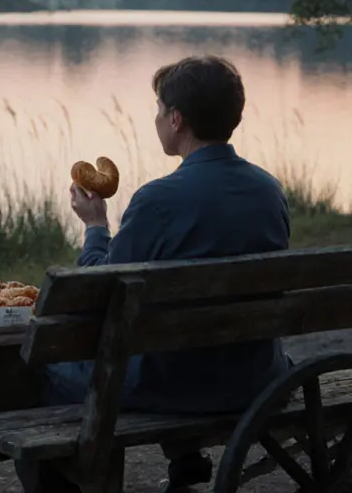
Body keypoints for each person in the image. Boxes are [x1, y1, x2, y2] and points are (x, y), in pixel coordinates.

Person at [21, 55, 294, 493]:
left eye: (158, 110)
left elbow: (99, 292)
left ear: (176, 119)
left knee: (45, 365)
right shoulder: (269, 190)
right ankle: (185, 458)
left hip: (176, 385)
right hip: (255, 375)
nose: (156, 119)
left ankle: (67, 481)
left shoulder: (158, 201)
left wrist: (95, 227)